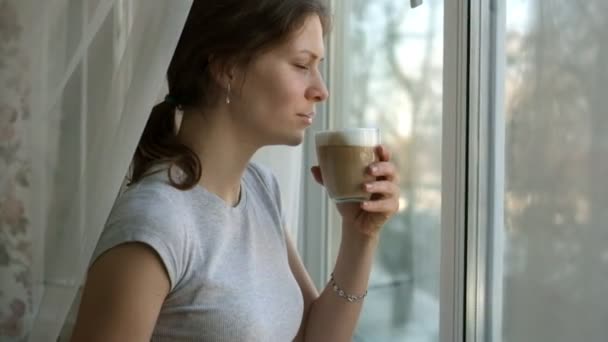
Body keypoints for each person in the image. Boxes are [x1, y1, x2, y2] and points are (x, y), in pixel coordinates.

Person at [70, 0, 400, 341]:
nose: (321, 90)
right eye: (302, 64)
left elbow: (313, 337)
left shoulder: (259, 188)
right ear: (227, 67)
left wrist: (361, 234)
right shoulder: (154, 223)